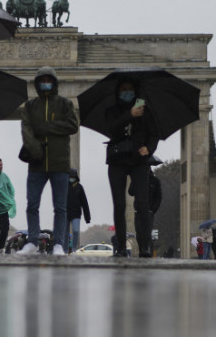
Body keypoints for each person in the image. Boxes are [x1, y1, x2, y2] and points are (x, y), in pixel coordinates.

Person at [16, 66, 79, 256]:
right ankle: (32, 241)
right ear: (37, 83)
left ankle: (59, 244)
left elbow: (73, 125)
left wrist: (48, 127)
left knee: (60, 207)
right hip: (36, 163)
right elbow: (26, 130)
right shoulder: (30, 106)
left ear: (54, 82)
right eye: (42, 80)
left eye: (48, 80)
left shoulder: (65, 104)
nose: (45, 83)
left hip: (60, 162)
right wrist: (36, 151)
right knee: (32, 205)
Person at [103, 77, 159, 258]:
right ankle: (120, 247)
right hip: (117, 161)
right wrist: (129, 115)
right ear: (118, 92)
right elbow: (110, 129)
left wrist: (149, 148)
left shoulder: (146, 111)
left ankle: (146, 246)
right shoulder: (112, 111)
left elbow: (154, 134)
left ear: (135, 92)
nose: (126, 92)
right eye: (123, 89)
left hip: (139, 162)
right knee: (118, 205)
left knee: (143, 205)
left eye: (130, 89)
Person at [65, 168, 91, 253]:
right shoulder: (64, 186)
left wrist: (87, 218)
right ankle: (64, 250)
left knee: (76, 231)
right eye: (70, 176)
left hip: (76, 214)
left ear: (76, 177)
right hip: (65, 213)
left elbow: (84, 202)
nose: (71, 178)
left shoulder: (79, 187)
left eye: (73, 176)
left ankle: (73, 250)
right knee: (65, 233)